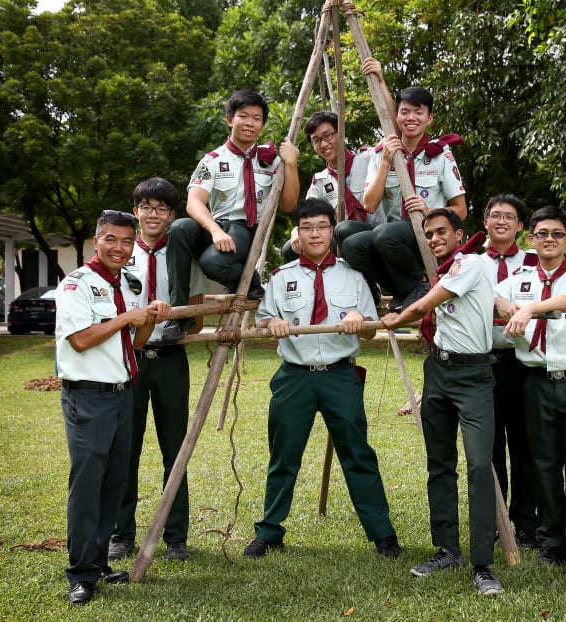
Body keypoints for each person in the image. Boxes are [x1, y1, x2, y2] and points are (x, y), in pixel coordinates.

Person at [244, 198, 401, 560]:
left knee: (358, 455)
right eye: (307, 227)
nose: (315, 233)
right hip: (293, 378)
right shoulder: (282, 278)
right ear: (298, 234)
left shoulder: (355, 275)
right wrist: (273, 324)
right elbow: (264, 320)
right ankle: (269, 532)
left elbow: (370, 335)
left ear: (332, 231)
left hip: (339, 376)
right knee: (283, 457)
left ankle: (382, 534)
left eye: (322, 226)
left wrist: (361, 324)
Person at [382, 208, 503, 596]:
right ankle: (447, 549)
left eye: (440, 233)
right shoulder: (448, 270)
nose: (434, 239)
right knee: (439, 462)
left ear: (458, 233)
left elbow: (420, 308)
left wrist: (393, 320)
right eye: (429, 235)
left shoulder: (469, 263)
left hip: (474, 377)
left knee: (480, 465)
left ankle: (483, 564)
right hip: (438, 371)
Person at [55, 210, 171, 605]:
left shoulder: (130, 283)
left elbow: (136, 344)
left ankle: (100, 561)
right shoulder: (76, 285)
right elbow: (82, 340)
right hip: (87, 396)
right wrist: (127, 316)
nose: (120, 248)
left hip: (123, 392)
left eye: (126, 241)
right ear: (96, 239)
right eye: (111, 239)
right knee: (88, 485)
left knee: (114, 482)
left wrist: (151, 317)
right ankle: (81, 574)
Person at [495, 205, 566, 573]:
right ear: (531, 239)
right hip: (536, 383)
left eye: (557, 233)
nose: (550, 240)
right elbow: (491, 294)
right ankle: (552, 539)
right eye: (542, 234)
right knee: (544, 463)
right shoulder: (519, 277)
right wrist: (508, 303)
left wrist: (531, 309)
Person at [108, 178, 205, 563]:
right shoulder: (120, 253)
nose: (152, 215)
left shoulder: (182, 253)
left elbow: (195, 318)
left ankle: (176, 536)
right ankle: (121, 534)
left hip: (169, 360)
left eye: (161, 209)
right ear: (136, 211)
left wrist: (171, 323)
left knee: (175, 449)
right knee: (124, 449)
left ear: (172, 215)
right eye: (146, 207)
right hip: (126, 362)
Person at [162, 88, 300, 341]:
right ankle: (180, 314)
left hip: (246, 229)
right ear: (229, 119)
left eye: (256, 118)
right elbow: (194, 203)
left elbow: (290, 204)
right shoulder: (212, 160)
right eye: (243, 116)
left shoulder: (272, 160)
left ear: (263, 124)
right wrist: (214, 230)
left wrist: (291, 163)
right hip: (216, 227)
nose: (249, 123)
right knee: (180, 228)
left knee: (213, 262)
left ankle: (253, 285)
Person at [342, 86, 467, 311]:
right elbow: (369, 205)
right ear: (396, 116)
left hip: (427, 240)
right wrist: (385, 162)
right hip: (393, 242)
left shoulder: (440, 154)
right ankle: (406, 288)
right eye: (405, 112)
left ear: (429, 118)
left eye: (418, 113)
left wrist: (429, 211)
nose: (411, 118)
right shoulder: (381, 153)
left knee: (384, 234)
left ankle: (419, 285)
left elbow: (461, 210)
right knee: (348, 240)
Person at [282, 57, 391, 264]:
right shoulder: (320, 181)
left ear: (340, 133)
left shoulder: (370, 158)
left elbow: (393, 131)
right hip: (341, 241)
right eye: (316, 141)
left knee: (345, 229)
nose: (324, 144)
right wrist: (297, 230)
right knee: (292, 247)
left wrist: (381, 80)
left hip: (375, 237)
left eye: (328, 136)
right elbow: (308, 213)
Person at [479, 194, 540, 550]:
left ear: (520, 226)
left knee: (526, 446)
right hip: (484, 365)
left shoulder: (536, 262)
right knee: (489, 449)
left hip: (523, 365)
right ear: (485, 221)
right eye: (495, 215)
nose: (501, 221)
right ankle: (494, 522)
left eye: (510, 217)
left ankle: (527, 523)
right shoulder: (470, 262)